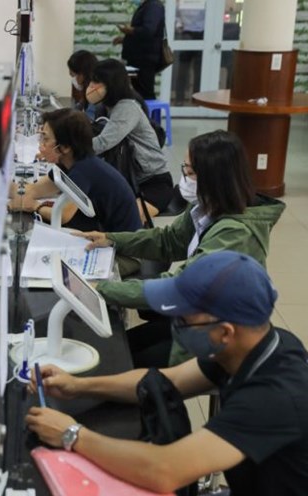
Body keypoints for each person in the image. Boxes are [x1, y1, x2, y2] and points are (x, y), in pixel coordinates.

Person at [27, 251, 308, 495]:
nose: (175, 325)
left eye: (183, 319)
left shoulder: (275, 396)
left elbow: (166, 470)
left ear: (225, 332)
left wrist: (73, 434)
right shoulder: (259, 346)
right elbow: (172, 379)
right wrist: (78, 386)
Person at [79, 130, 285, 367]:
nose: (184, 178)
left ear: (213, 178)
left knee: (121, 362)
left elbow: (180, 285)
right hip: (195, 314)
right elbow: (169, 241)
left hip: (220, 331)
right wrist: (112, 239)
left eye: (190, 172)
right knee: (121, 347)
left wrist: (102, 289)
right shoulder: (207, 206)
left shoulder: (236, 232)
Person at [9, 108, 142, 235]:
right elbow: (32, 190)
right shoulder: (68, 164)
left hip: (123, 248)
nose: (41, 144)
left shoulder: (84, 170)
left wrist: (34, 206)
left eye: (46, 138)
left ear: (65, 147)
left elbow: (63, 215)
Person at [86, 59, 172, 220]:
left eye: (96, 81)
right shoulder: (105, 106)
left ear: (111, 85)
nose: (91, 86)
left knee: (122, 219)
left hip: (153, 184)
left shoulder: (127, 108)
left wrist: (69, 148)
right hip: (130, 182)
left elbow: (103, 143)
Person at [114, 0, 165, 100]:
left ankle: (148, 115)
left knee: (145, 94)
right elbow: (140, 35)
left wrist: (130, 30)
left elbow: (149, 30)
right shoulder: (146, 6)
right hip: (138, 59)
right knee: (138, 93)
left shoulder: (154, 6)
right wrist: (125, 39)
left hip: (145, 59)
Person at [67, 50, 99, 117]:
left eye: (73, 75)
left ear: (83, 74)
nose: (73, 80)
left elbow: (88, 121)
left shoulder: (95, 94)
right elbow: (77, 109)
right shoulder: (88, 91)